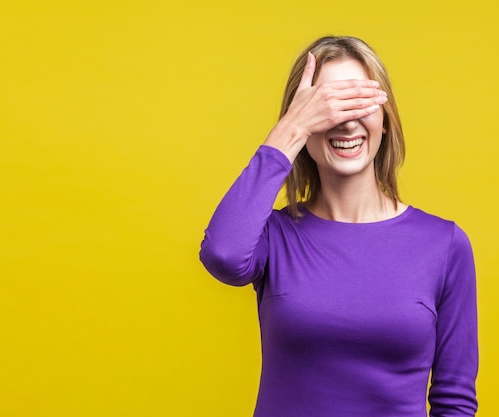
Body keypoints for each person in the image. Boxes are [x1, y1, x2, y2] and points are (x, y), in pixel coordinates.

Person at [200, 35, 478, 417]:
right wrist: (289, 131)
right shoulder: (274, 236)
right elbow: (223, 255)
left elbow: (454, 401)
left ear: (385, 120)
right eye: (328, 106)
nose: (346, 121)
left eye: (360, 102)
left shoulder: (443, 244)